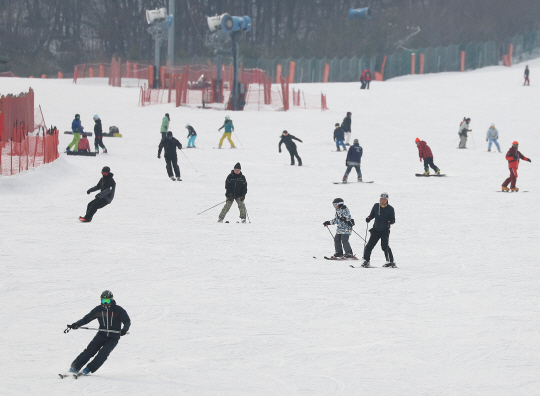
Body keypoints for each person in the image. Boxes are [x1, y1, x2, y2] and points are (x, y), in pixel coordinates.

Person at [65, 290, 130, 376]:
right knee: (89, 350)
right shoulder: (98, 310)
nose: (105, 303)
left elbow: (127, 321)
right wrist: (76, 324)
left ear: (111, 300)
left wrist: (124, 329)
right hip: (101, 335)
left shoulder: (118, 310)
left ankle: (88, 368)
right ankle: (75, 367)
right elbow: (86, 319)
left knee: (103, 354)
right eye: (103, 301)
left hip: (113, 338)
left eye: (107, 301)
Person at [362, 193, 396, 268]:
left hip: (385, 230)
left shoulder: (390, 209)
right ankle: (366, 261)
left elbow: (393, 220)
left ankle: (390, 262)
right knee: (369, 246)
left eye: (384, 199)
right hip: (376, 230)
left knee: (385, 247)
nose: (382, 201)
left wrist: (390, 221)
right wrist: (368, 218)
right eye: (381, 199)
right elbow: (372, 215)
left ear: (387, 200)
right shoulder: (376, 206)